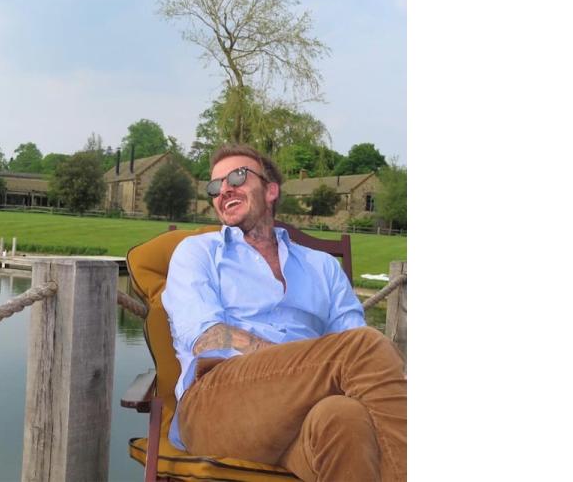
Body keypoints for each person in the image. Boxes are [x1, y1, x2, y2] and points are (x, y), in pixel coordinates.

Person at [161, 144, 407, 482]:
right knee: (363, 347)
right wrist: (303, 366)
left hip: (302, 417)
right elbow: (205, 337)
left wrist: (310, 372)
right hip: (216, 404)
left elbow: (353, 342)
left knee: (344, 417)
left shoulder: (321, 267)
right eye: (215, 186)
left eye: (238, 176)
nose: (224, 189)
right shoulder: (197, 252)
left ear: (271, 189)